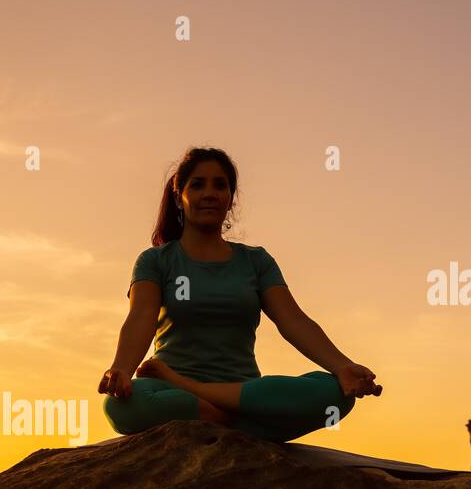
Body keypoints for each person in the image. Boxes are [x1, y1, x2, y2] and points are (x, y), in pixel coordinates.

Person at [99, 146, 381, 441]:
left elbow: (293, 321)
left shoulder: (255, 261)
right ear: (179, 196)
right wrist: (120, 368)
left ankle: (208, 406)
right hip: (171, 392)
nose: (209, 193)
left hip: (244, 391)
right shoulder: (155, 261)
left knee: (336, 394)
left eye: (220, 185)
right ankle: (237, 423)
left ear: (230, 199)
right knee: (121, 405)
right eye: (198, 184)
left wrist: (342, 366)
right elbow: (140, 317)